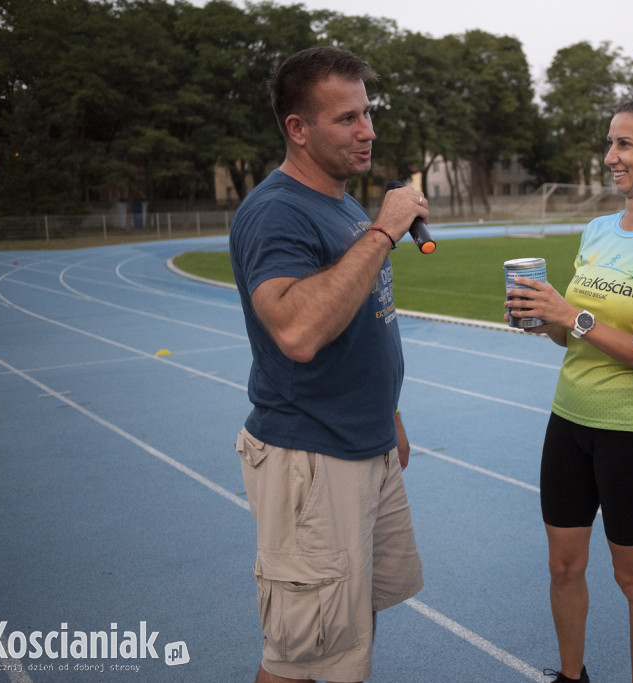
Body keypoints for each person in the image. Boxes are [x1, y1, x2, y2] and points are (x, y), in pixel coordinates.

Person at [229, 47, 425, 683]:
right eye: (346, 119)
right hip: (312, 457)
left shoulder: (339, 203)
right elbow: (298, 331)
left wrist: (388, 414)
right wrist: (384, 232)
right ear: (298, 128)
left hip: (363, 443)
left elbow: (363, 320)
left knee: (350, 626)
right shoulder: (275, 210)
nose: (366, 130)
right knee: (300, 653)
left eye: (366, 114)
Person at [506, 98, 633, 683]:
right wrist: (540, 318)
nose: (609, 156)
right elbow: (571, 337)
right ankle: (573, 678)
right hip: (567, 422)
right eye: (610, 143)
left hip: (631, 433)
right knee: (563, 567)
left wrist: (571, 316)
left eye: (623, 145)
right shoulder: (597, 230)